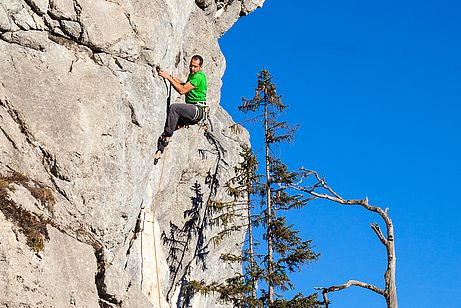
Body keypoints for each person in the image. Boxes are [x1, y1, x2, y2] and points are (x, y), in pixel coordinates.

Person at [154, 55, 208, 164]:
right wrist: (171, 77)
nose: (192, 69)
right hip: (193, 112)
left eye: (195, 67)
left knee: (174, 108)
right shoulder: (193, 75)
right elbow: (185, 85)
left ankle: (168, 136)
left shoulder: (199, 76)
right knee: (172, 125)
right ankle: (160, 150)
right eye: (191, 66)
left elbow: (182, 90)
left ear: (200, 67)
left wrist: (168, 78)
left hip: (197, 110)